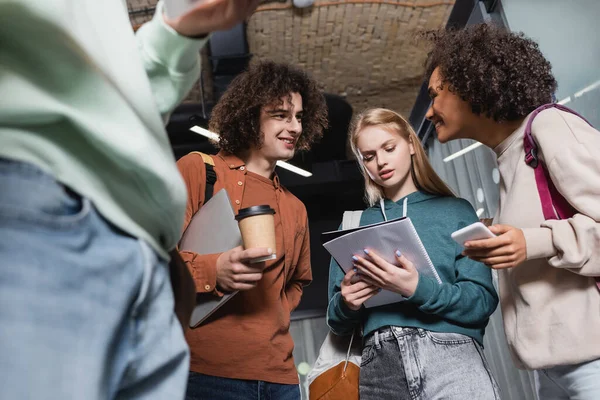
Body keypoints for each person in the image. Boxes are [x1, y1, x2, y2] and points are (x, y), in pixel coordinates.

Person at [0, 0, 259, 398]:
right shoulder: (196, 167)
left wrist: (173, 36)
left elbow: (101, 97)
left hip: (144, 255)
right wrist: (211, 268)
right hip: (32, 206)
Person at [423, 23, 600, 399]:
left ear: (471, 85)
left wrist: (533, 241)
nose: (428, 112)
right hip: (551, 370)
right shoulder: (508, 156)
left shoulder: (550, 126)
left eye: (435, 94)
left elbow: (546, 236)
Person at [176, 60, 328, 400]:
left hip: (281, 377)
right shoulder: (201, 171)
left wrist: (271, 318)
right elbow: (152, 261)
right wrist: (213, 270)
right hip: (205, 373)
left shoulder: (295, 207)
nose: (294, 127)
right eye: (280, 115)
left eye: (299, 117)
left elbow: (297, 282)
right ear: (250, 116)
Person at [327, 108, 500, 399]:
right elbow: (335, 319)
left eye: (389, 148)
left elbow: (481, 301)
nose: (380, 161)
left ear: (410, 143)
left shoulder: (456, 211)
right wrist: (347, 303)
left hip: (452, 358)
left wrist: (415, 288)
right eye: (368, 156)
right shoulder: (353, 224)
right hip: (379, 368)